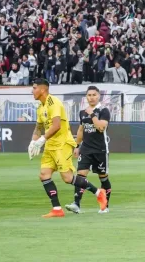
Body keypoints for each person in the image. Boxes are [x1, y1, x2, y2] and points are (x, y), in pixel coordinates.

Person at [29, 79, 107, 218]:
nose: (32, 91)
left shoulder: (54, 103)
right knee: (44, 175)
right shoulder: (40, 107)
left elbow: (56, 125)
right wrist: (32, 142)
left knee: (67, 178)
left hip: (62, 144)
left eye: (34, 88)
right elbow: (39, 127)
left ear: (42, 90)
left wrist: (42, 139)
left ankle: (99, 193)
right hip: (50, 145)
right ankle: (57, 209)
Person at [65, 86, 111, 214]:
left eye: (94, 95)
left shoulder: (104, 111)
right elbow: (81, 130)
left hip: (100, 150)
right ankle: (76, 204)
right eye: (89, 95)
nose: (91, 97)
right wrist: (77, 146)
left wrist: (92, 115)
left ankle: (105, 206)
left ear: (99, 96)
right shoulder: (82, 112)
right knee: (81, 176)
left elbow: (101, 127)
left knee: (103, 178)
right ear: (86, 97)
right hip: (86, 149)